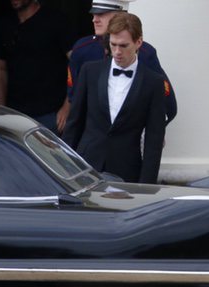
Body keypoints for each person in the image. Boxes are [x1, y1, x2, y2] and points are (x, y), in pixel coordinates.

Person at [62, 13, 165, 184]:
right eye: (113, 45)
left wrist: (146, 186)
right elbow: (74, 124)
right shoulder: (90, 71)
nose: (117, 52)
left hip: (127, 170)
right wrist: (64, 169)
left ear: (138, 42)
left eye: (124, 46)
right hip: (85, 166)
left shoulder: (153, 82)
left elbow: (154, 140)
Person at [67, 0, 177, 125]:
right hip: (91, 135)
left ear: (121, 15)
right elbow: (75, 98)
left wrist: (149, 133)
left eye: (101, 14)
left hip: (130, 133)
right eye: (94, 15)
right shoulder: (83, 49)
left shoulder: (145, 53)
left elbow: (166, 102)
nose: (94, 20)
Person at [0, 0, 75, 133]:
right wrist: (1, 109)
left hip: (51, 114)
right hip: (14, 114)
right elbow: (0, 67)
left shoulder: (56, 20)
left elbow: (76, 63)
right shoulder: (5, 23)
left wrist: (67, 106)